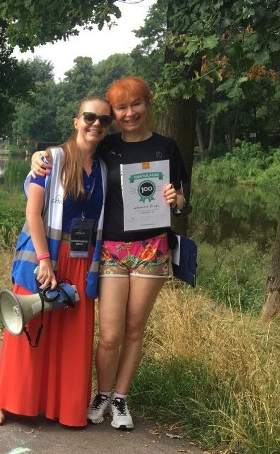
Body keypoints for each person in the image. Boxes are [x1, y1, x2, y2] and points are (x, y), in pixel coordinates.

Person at [30, 76, 189, 430]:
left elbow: (181, 199)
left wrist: (177, 202)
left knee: (135, 329)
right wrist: (39, 156)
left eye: (136, 104)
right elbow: (74, 149)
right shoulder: (107, 146)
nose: (129, 113)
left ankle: (120, 398)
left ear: (148, 105)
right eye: (121, 108)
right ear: (114, 113)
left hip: (152, 247)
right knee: (111, 332)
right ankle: (101, 394)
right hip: (112, 249)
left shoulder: (167, 147)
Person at [0, 97, 111, 428]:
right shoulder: (52, 159)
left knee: (72, 336)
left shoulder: (104, 168)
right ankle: (6, 401)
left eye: (103, 120)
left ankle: (64, 407)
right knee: (29, 329)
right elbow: (32, 212)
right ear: (76, 121)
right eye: (89, 116)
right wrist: (44, 260)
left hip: (82, 259)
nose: (96, 123)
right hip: (47, 253)